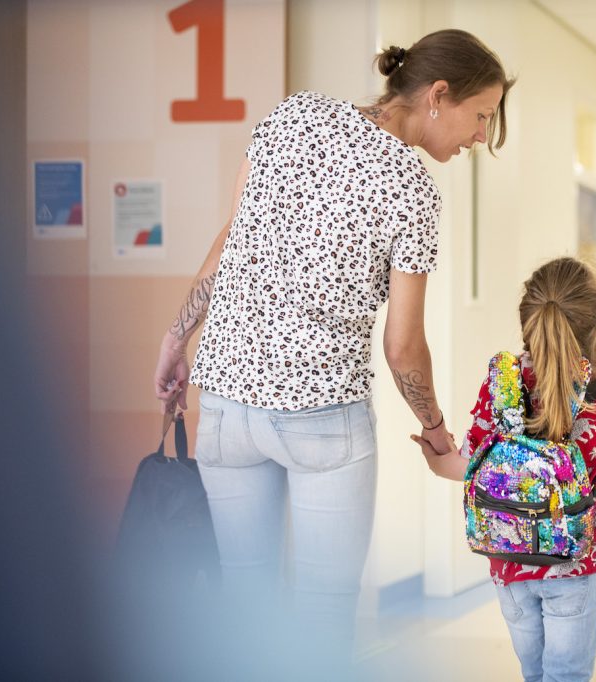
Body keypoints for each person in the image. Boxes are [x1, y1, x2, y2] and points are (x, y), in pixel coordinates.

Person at [151, 28, 514, 665]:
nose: (481, 135)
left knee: (245, 609)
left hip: (227, 409)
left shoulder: (292, 114)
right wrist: (435, 429)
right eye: (481, 115)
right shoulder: (414, 189)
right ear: (437, 95)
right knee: (323, 625)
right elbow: (403, 348)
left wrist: (175, 337)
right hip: (323, 422)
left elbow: (231, 237)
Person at [414, 256, 596, 682]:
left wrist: (436, 458)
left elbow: (470, 466)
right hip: (576, 567)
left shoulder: (503, 384)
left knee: (535, 676)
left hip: (508, 565)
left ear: (527, 324)